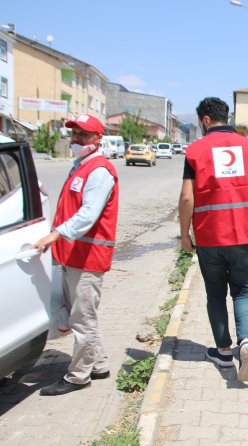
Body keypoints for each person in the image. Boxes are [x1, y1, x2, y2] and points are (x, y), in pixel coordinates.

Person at [179, 97, 248, 382]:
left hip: (209, 237)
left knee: (215, 294)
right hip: (245, 236)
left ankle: (224, 353)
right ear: (227, 117)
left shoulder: (195, 151)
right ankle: (247, 342)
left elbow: (187, 198)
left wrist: (184, 235)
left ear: (204, 121)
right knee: (243, 290)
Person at [33, 114, 119, 396]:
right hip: (74, 255)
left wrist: (56, 234)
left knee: (82, 319)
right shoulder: (80, 167)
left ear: (98, 138)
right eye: (74, 132)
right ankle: (99, 365)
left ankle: (78, 376)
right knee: (84, 315)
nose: (76, 138)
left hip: (89, 256)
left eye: (83, 134)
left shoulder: (99, 171)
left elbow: (88, 214)